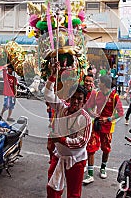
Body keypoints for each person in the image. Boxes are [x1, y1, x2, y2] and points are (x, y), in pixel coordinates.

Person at [45, 61, 92, 198]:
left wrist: (60, 139)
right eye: (73, 98)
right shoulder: (61, 108)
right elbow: (48, 94)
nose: (76, 101)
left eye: (79, 99)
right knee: (52, 190)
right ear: (69, 98)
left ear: (83, 102)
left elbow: (81, 142)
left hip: (76, 161)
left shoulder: (86, 119)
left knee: (74, 194)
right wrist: (53, 76)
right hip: (59, 156)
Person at [83, 75, 124, 184]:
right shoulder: (96, 94)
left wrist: (108, 119)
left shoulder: (114, 96)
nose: (98, 84)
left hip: (108, 127)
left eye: (99, 82)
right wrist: (93, 114)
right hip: (96, 126)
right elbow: (88, 107)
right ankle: (90, 174)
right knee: (91, 147)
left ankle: (103, 168)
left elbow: (120, 112)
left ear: (104, 84)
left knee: (106, 149)